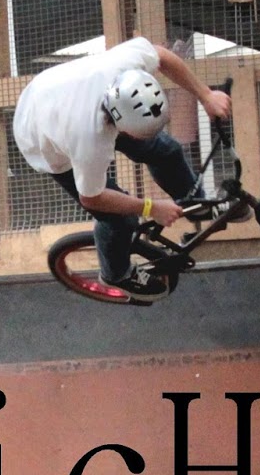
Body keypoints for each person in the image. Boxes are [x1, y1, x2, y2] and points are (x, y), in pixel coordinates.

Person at [13, 35, 233, 295]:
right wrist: (151, 207)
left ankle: (193, 204)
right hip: (40, 136)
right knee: (121, 218)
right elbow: (92, 198)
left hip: (55, 91)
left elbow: (162, 56)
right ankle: (115, 274)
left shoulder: (126, 64)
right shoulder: (87, 138)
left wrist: (206, 95)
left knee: (166, 150)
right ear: (117, 127)